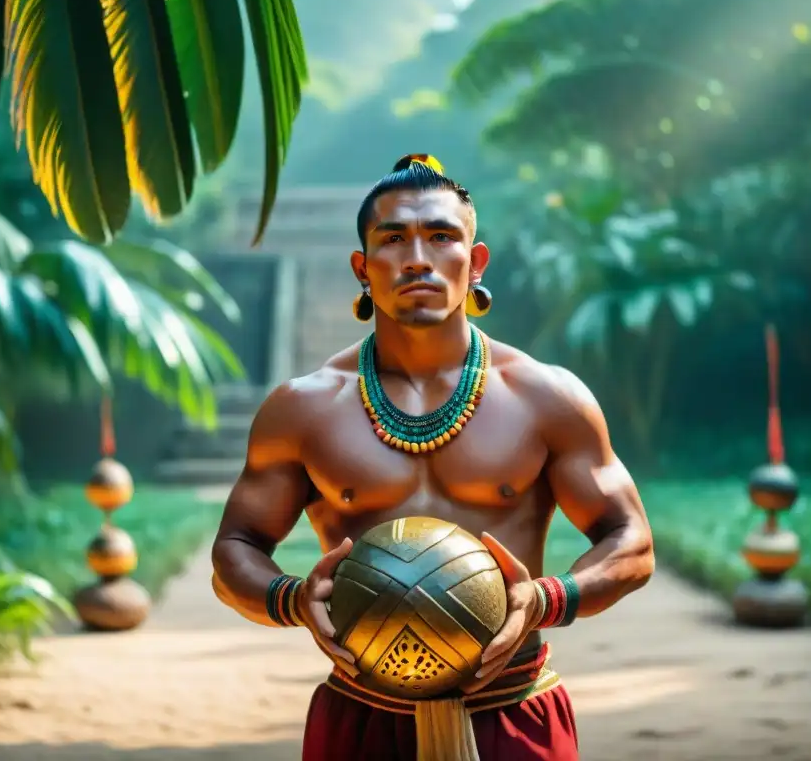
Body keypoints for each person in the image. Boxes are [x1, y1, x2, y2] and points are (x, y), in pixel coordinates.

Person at [211, 154, 655, 761]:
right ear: (363, 269)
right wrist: (293, 599)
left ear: (474, 263)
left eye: (441, 236)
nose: (417, 257)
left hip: (513, 708)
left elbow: (631, 541)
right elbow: (233, 550)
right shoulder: (304, 407)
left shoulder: (546, 396)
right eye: (393, 239)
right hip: (364, 715)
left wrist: (548, 598)